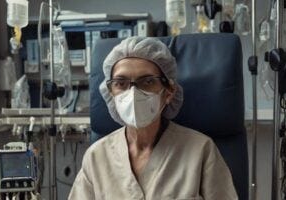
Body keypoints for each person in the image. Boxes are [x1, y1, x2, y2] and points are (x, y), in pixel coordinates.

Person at [68, 36, 238, 200]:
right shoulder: (97, 157)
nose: (133, 93)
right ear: (110, 93)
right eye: (121, 83)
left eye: (147, 82)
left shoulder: (201, 151)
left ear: (169, 92)